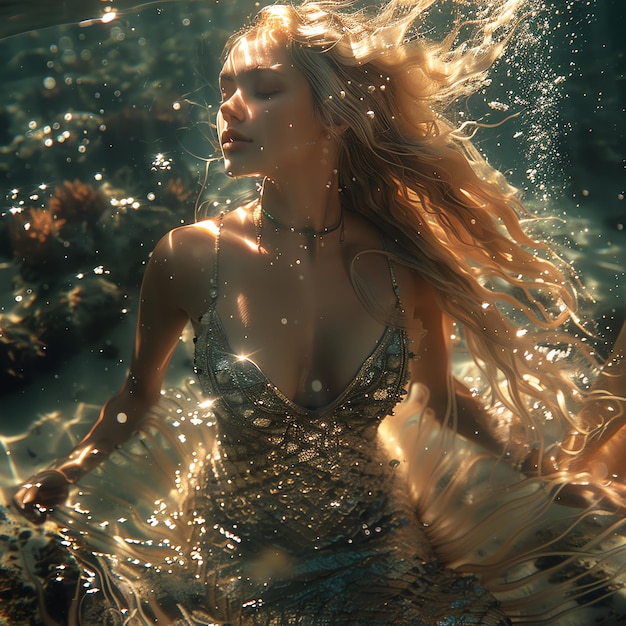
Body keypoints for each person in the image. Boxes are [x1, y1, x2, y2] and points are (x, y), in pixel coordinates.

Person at [10, 0, 626, 624]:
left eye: (265, 89)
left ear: (333, 114)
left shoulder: (398, 264)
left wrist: (545, 473)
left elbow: (440, 395)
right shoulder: (190, 257)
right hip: (233, 547)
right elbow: (136, 396)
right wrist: (68, 469)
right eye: (225, 90)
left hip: (378, 541)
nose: (229, 107)